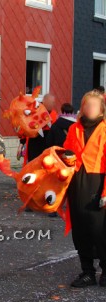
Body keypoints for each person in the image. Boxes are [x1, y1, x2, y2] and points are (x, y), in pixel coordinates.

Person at [64, 90, 106, 288]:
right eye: (86, 104)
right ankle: (87, 271)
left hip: (99, 181)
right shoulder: (74, 129)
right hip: (78, 181)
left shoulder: (105, 129)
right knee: (81, 229)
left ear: (101, 109)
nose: (89, 108)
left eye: (93, 105)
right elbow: (66, 152)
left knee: (101, 230)